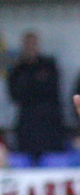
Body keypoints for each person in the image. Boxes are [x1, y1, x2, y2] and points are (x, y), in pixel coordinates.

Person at [7, 31, 68, 163]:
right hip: (27, 125)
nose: (30, 47)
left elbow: (52, 91)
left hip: (49, 125)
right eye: (27, 44)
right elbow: (14, 95)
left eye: (33, 44)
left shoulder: (49, 65)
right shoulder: (18, 69)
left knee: (52, 161)